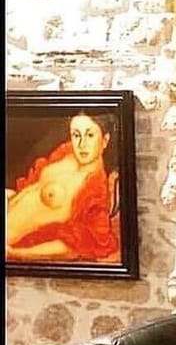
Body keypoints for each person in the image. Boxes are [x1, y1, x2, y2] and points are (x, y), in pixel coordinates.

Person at [6, 111, 120, 263]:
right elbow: (34, 189)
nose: (82, 144)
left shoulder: (95, 191)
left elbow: (74, 248)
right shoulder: (67, 153)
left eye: (90, 135)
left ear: (105, 140)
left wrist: (15, 253)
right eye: (76, 135)